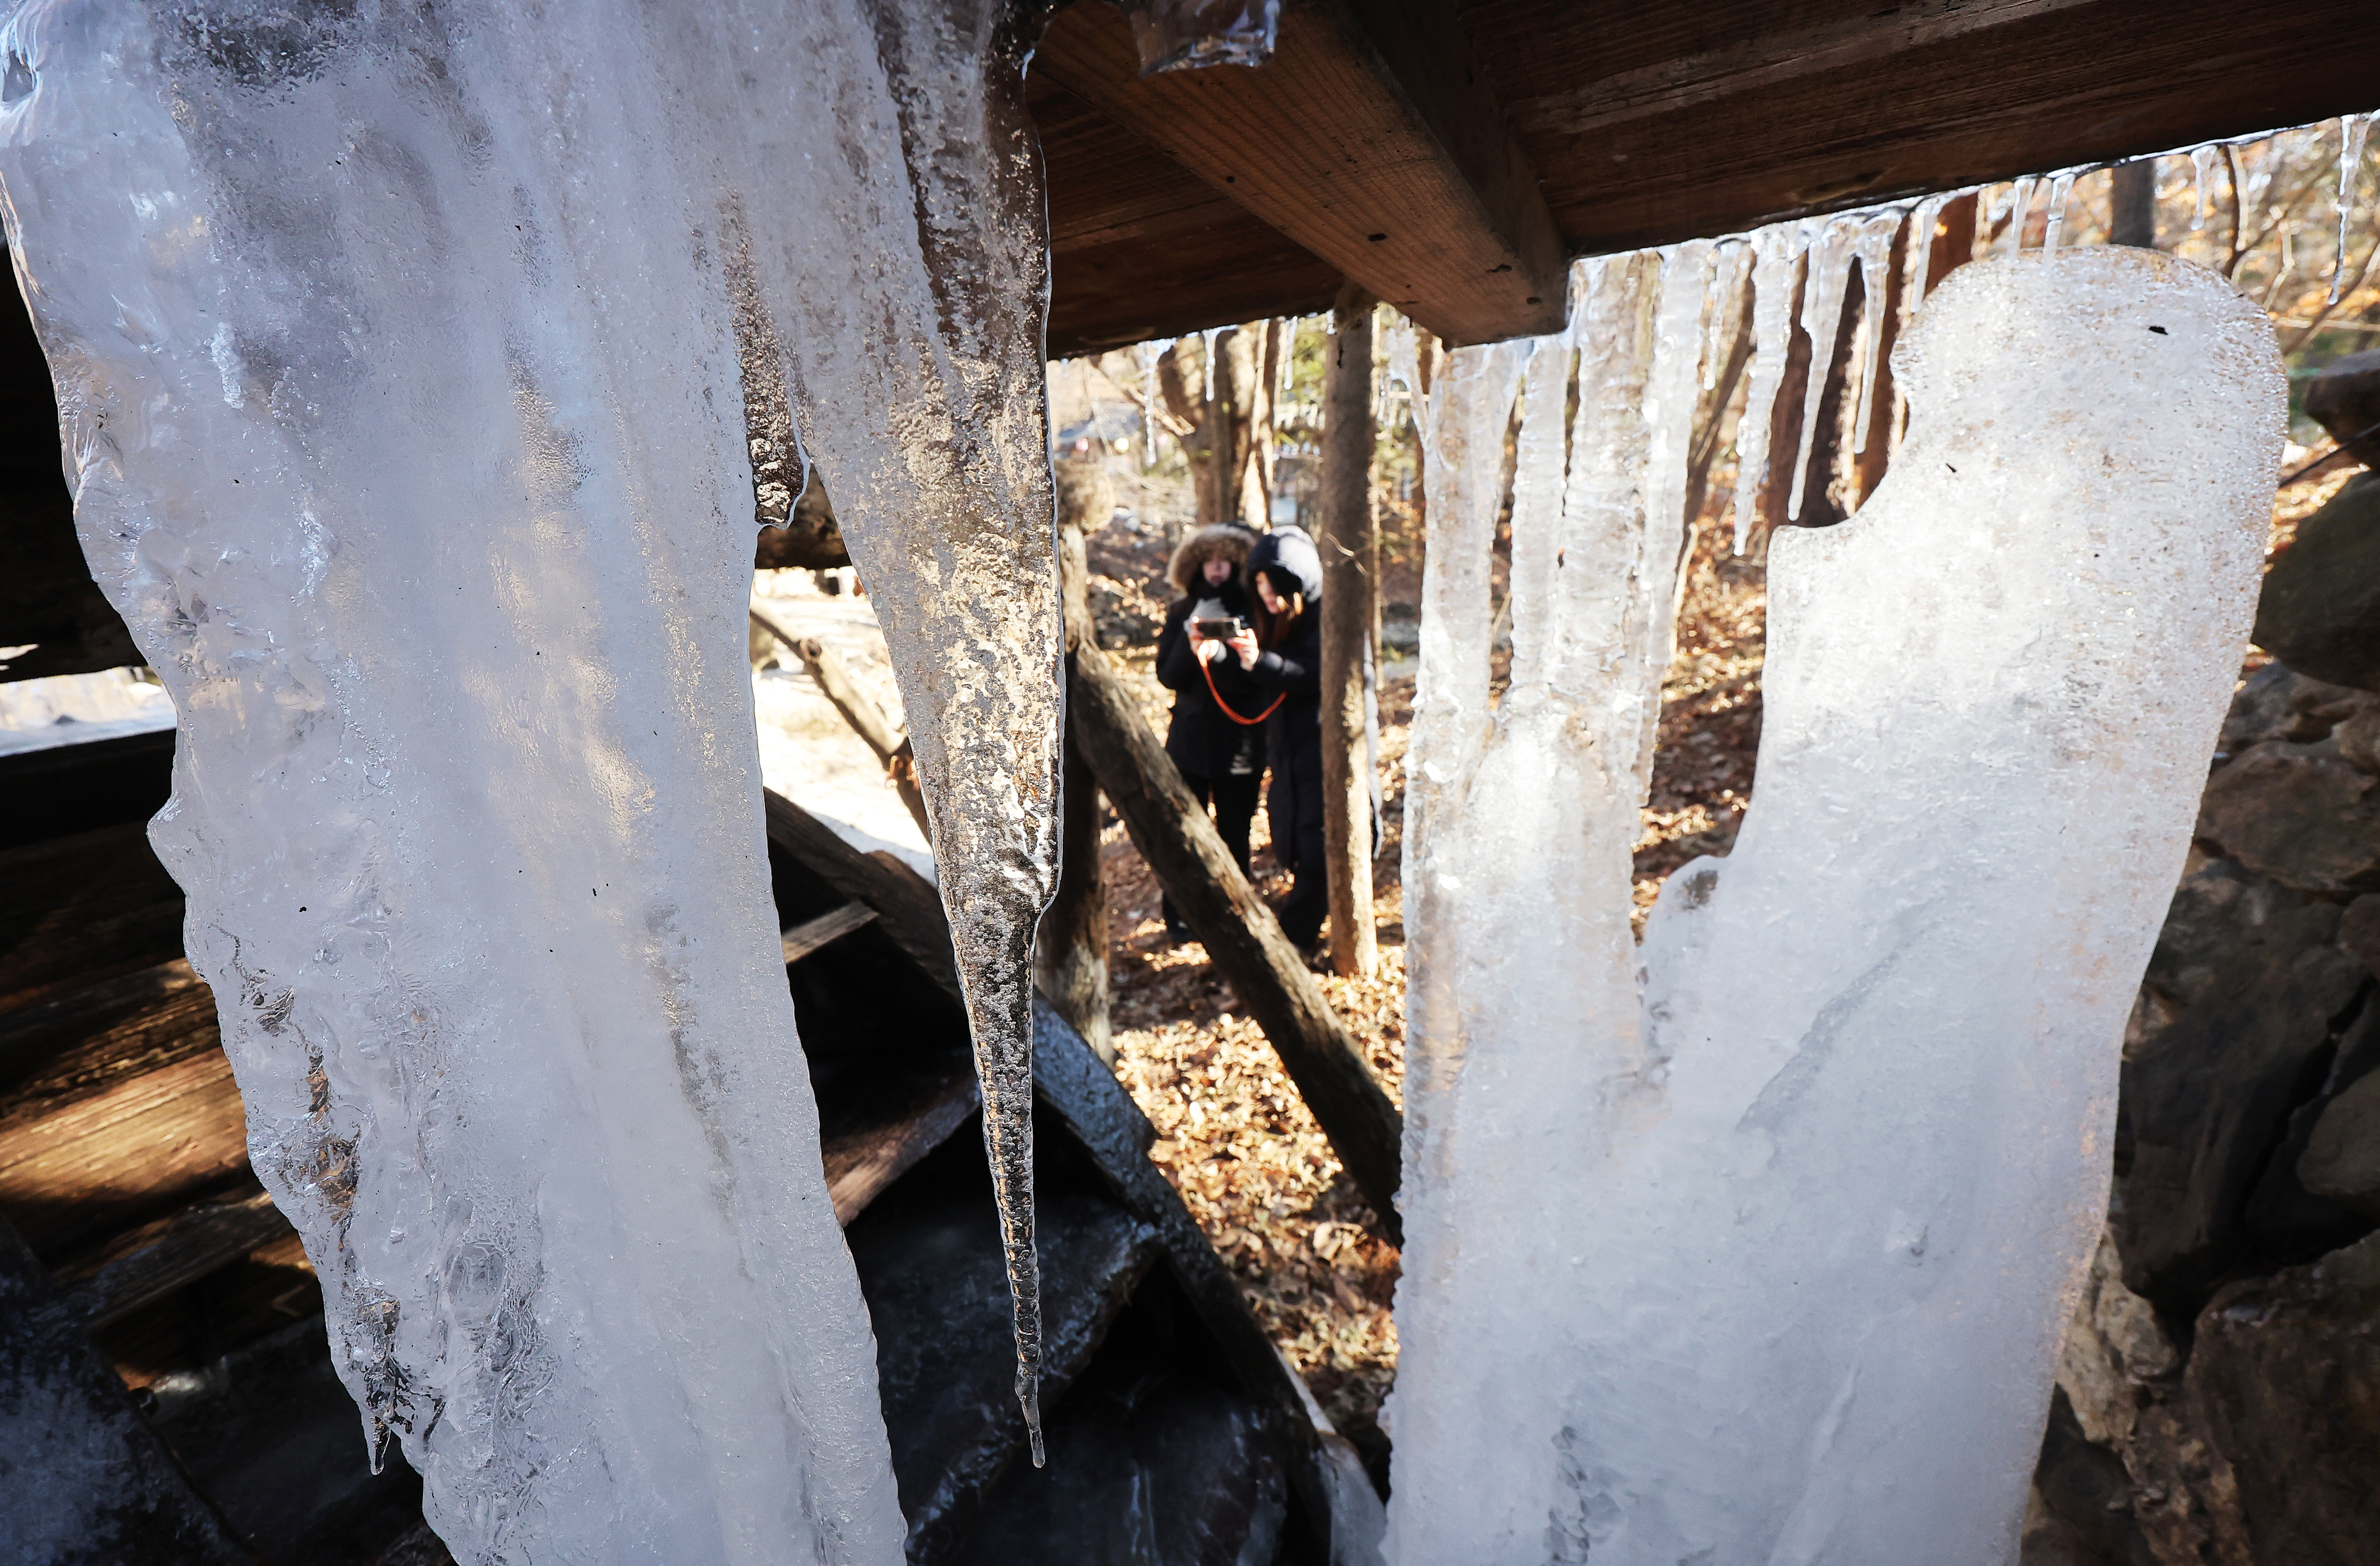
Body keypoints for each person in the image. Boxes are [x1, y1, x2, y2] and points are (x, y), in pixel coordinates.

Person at [1154, 522, 1265, 944]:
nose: (1217, 570)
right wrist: (1192, 639)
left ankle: (1238, 916)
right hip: (1189, 745)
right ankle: (1180, 916)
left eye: (1225, 561)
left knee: (1236, 832)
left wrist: (1222, 654)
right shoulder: (1182, 610)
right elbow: (1168, 675)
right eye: (1209, 561)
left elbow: (1256, 681)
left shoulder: (1253, 610)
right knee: (1183, 835)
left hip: (1240, 745)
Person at [1232, 522, 1327, 954]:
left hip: (1321, 748)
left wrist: (1263, 661)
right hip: (1287, 752)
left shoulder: (1324, 618)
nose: (1266, 595)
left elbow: (1313, 673)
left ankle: (1295, 942)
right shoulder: (1272, 621)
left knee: (1317, 845)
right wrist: (1222, 656)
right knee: (1291, 837)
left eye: (1272, 585)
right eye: (1259, 586)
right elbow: (1259, 681)